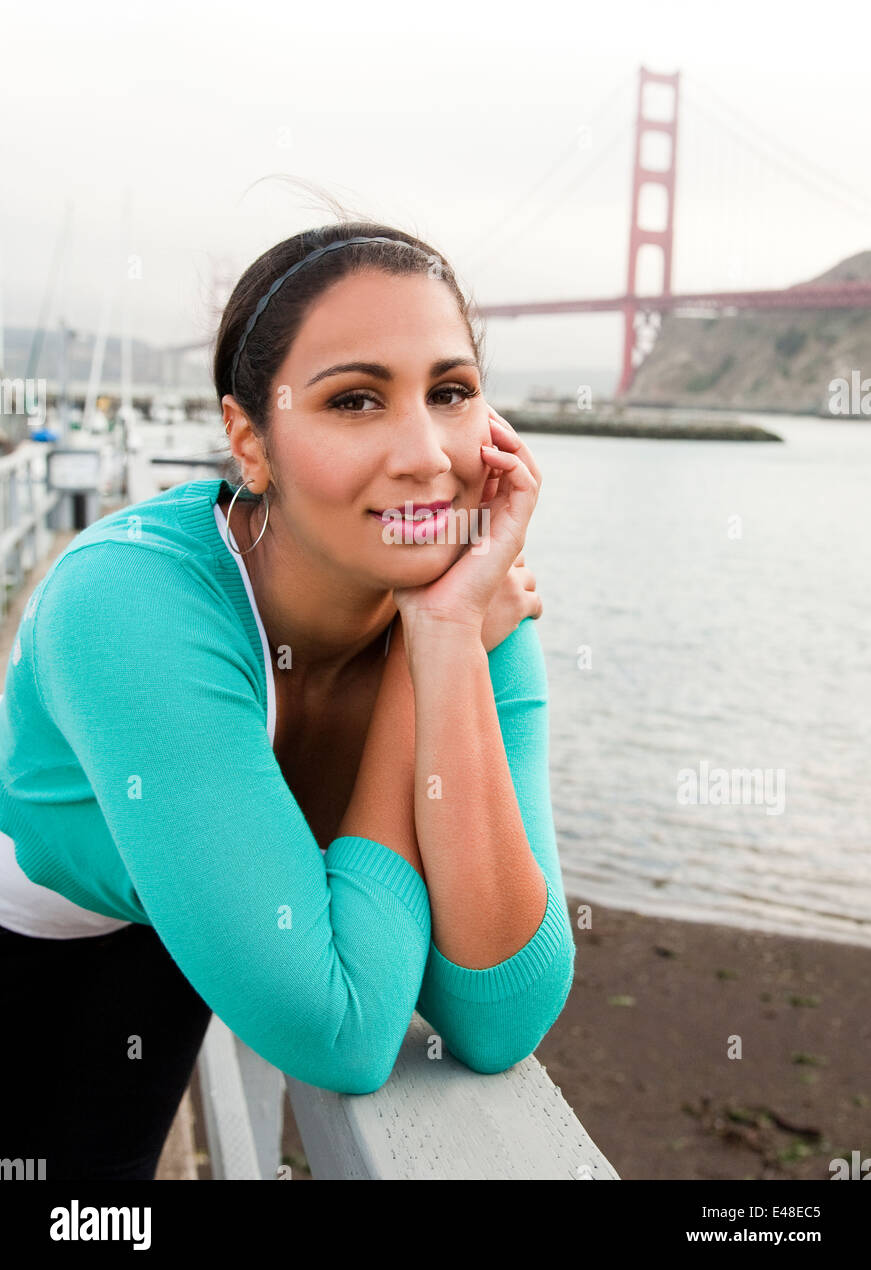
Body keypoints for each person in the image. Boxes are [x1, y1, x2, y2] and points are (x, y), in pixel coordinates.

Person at [0, 221, 576, 1180]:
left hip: (182, 932)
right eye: (354, 399)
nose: (427, 453)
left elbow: (500, 1010)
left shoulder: (471, 603)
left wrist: (436, 637)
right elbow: (343, 1030)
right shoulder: (128, 604)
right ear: (248, 442)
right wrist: (423, 666)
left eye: (450, 391)